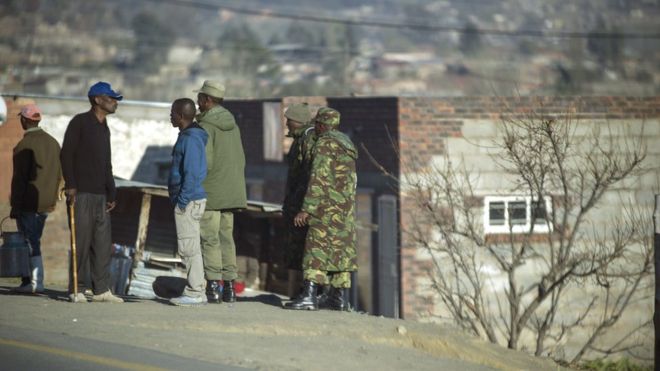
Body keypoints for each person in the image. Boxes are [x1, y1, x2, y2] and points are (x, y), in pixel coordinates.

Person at [284, 107, 358, 311]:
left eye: (317, 123)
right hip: (343, 210)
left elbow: (319, 178)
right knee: (339, 252)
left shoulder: (325, 144)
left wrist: (306, 209)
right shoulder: (346, 143)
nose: (314, 126)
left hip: (324, 210)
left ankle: (309, 295)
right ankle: (337, 297)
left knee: (314, 250)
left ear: (322, 125)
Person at [60, 81, 124, 303]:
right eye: (111, 98)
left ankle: (101, 289)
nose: (115, 102)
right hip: (82, 193)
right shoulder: (80, 122)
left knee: (102, 244)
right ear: (97, 99)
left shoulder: (104, 127)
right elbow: (66, 154)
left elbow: (106, 163)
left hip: (101, 195)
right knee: (82, 241)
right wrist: (70, 184)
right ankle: (76, 288)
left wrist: (112, 192)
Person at [194, 80, 247, 303]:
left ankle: (213, 285)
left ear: (207, 100)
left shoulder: (206, 125)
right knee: (227, 237)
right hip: (232, 189)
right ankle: (230, 288)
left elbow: (205, 161)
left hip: (212, 190)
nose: (197, 102)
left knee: (210, 238)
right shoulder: (233, 125)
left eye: (199, 98)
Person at [10, 103, 62, 294]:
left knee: (29, 241)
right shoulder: (53, 143)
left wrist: (15, 206)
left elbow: (19, 180)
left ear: (24, 120)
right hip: (46, 203)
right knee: (34, 239)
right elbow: (59, 174)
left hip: (28, 203)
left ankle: (34, 282)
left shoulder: (24, 146)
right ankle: (31, 281)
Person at [167, 98, 209, 306]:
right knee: (191, 247)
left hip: (188, 201)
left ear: (181, 116)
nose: (170, 116)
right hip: (189, 199)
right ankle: (197, 290)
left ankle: (194, 293)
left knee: (189, 248)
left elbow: (191, 173)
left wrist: (182, 201)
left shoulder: (191, 139)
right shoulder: (188, 136)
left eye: (172, 112)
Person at [281, 103, 315, 297]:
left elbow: (309, 176)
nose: (286, 124)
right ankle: (301, 291)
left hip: (303, 207)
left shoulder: (308, 140)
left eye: (289, 120)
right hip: (296, 203)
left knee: (304, 249)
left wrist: (303, 206)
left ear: (297, 121)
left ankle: (308, 292)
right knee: (295, 250)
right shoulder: (300, 139)